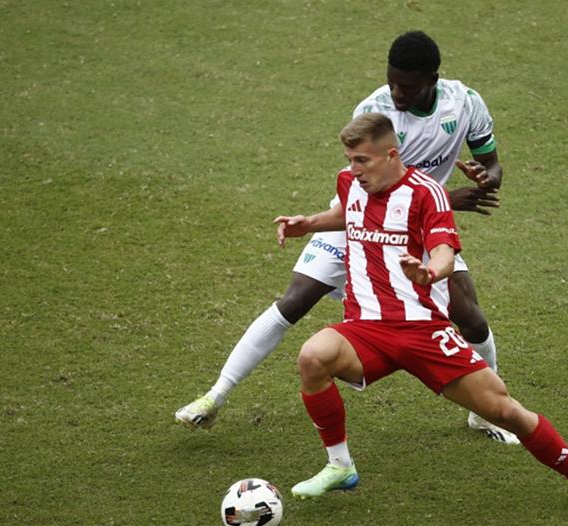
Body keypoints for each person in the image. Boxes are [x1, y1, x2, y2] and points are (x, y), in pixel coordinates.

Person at [274, 112, 568, 523]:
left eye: (362, 161)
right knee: (312, 357)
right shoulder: (351, 183)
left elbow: (443, 248)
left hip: (423, 330)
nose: (353, 170)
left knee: (506, 411)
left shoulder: (427, 194)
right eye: (349, 160)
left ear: (391, 156)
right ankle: (340, 466)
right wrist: (308, 224)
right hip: (365, 327)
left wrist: (430, 273)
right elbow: (349, 216)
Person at [176, 30, 517, 444]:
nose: (396, 93)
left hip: (418, 231)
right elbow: (367, 189)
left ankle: (486, 413)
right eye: (392, 82)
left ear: (433, 78)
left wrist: (487, 176)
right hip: (358, 219)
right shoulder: (375, 111)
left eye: (407, 87)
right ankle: (214, 396)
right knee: (294, 300)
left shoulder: (464, 103)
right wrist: (448, 196)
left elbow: (492, 165)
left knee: (470, 317)